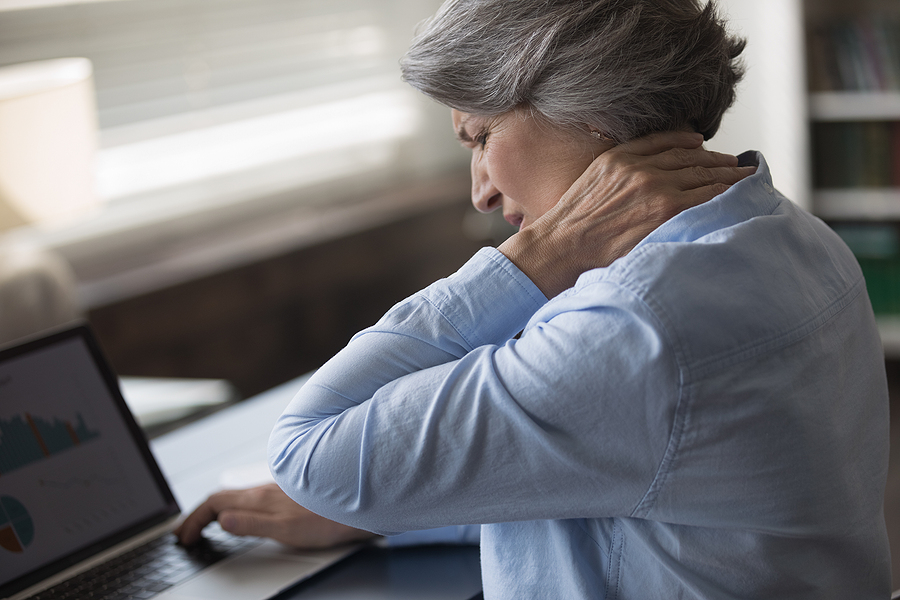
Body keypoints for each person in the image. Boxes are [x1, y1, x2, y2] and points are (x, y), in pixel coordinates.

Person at [177, 0, 892, 597]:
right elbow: (652, 480)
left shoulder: (634, 324)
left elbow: (310, 456)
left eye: (481, 136)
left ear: (588, 114)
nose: (481, 190)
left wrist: (539, 255)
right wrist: (379, 514)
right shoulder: (786, 231)